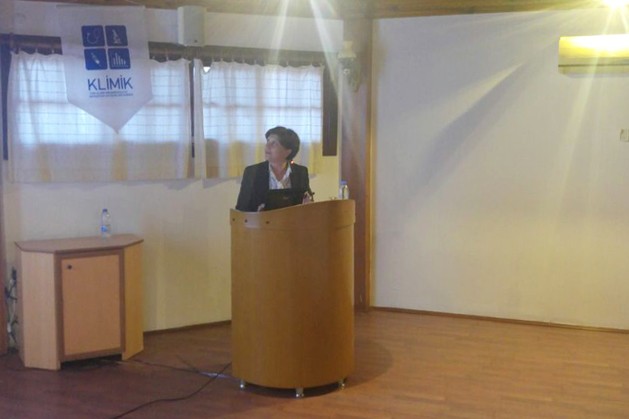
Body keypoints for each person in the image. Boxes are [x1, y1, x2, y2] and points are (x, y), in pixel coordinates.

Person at [235, 126, 313, 212]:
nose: (267, 146)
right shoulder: (252, 172)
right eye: (268, 141)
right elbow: (241, 208)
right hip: (261, 220)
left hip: (292, 220)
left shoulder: (300, 172)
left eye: (274, 143)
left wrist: (308, 203)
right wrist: (257, 212)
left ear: (287, 151)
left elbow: (308, 200)